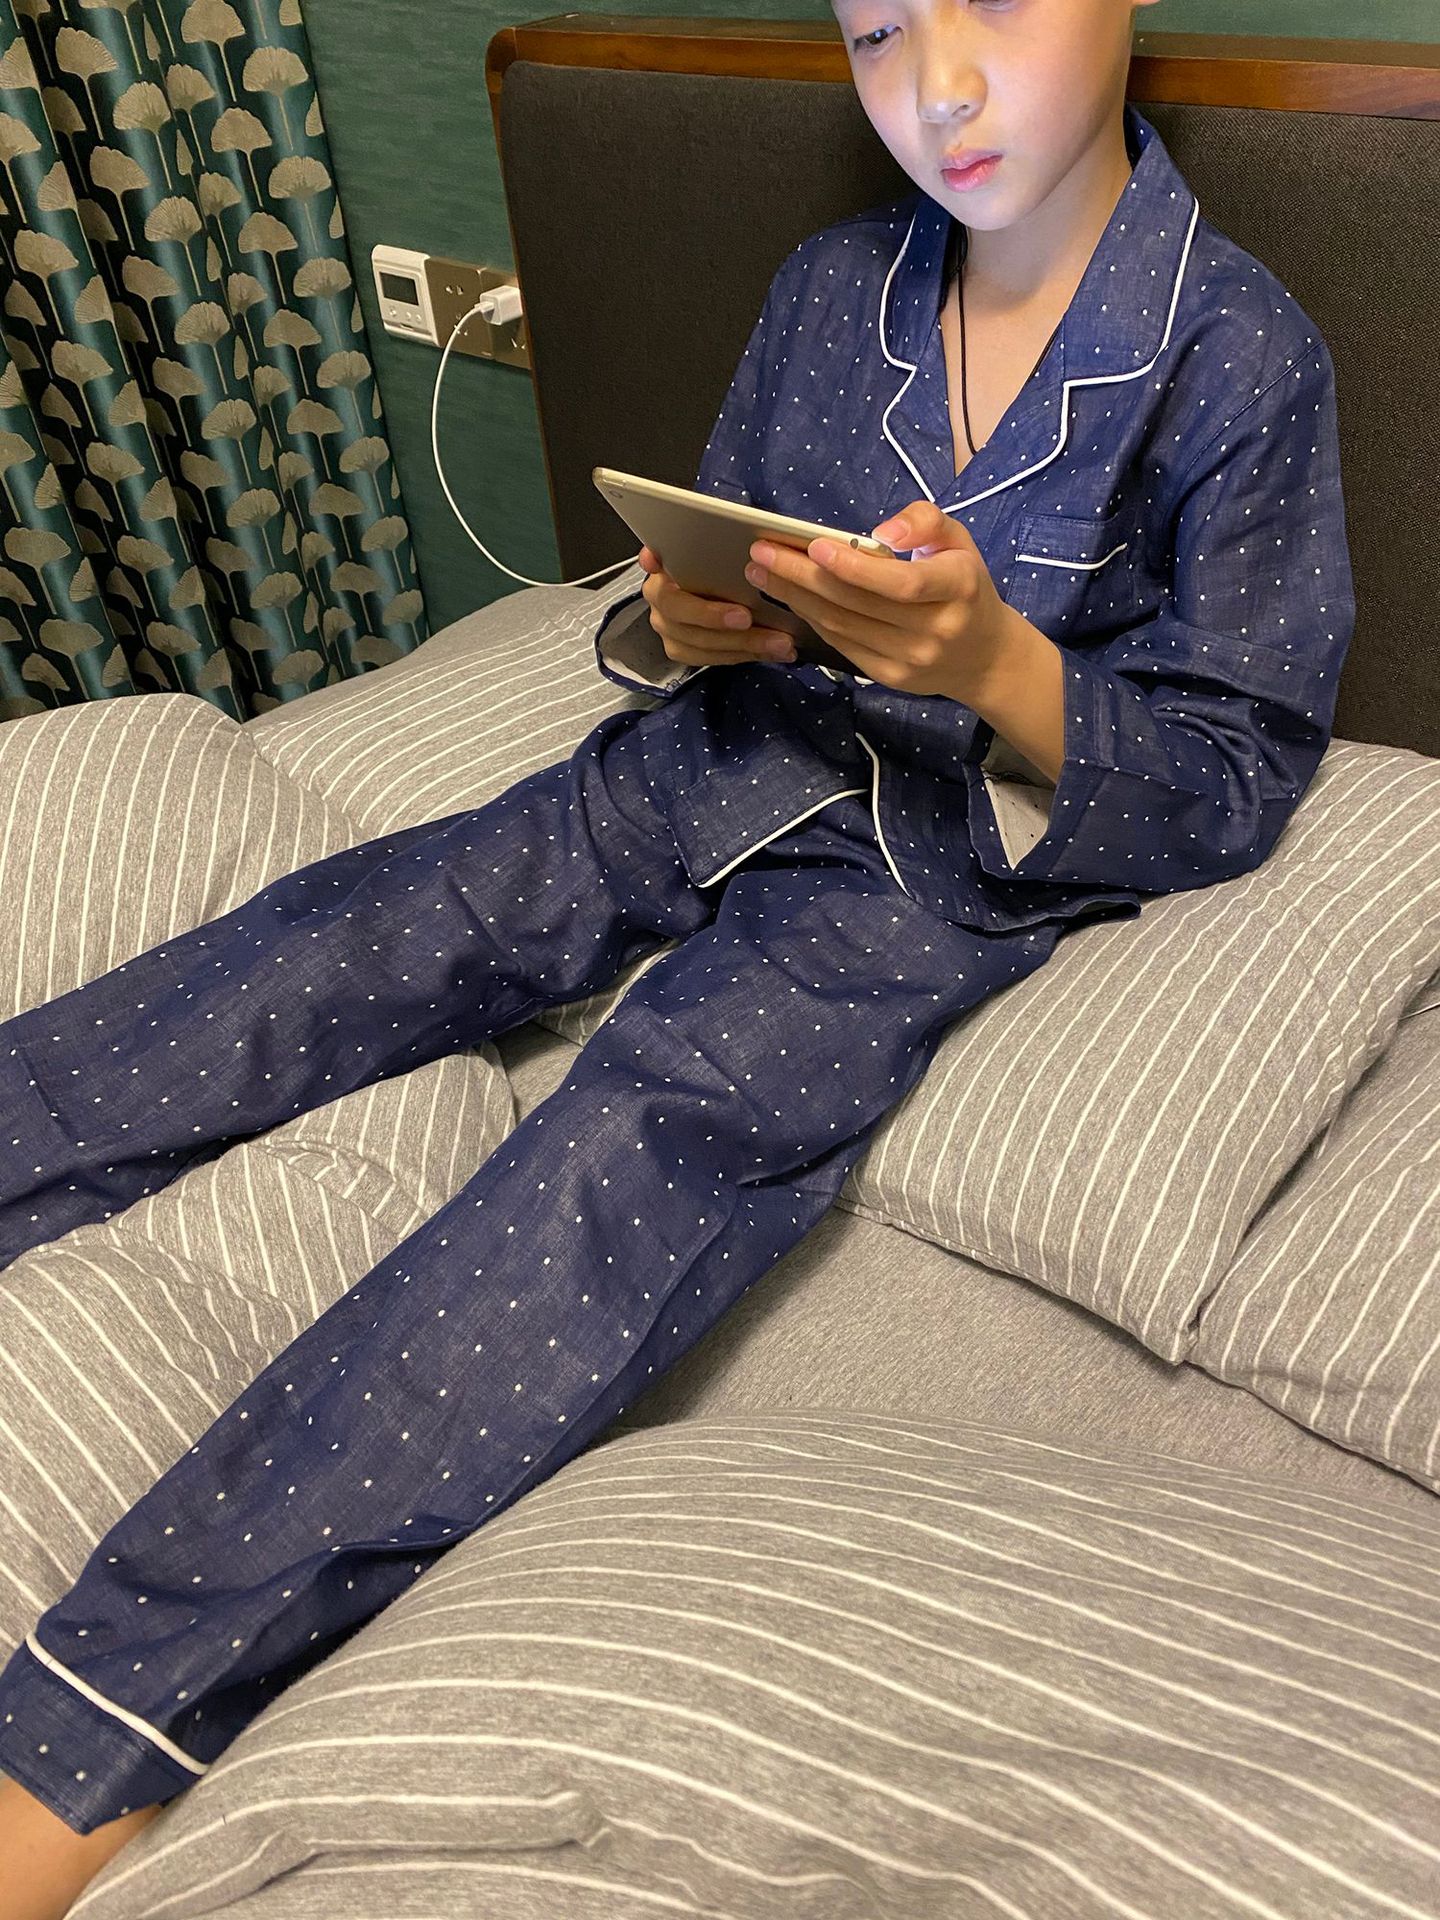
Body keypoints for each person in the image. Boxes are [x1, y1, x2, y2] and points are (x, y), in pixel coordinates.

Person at [0, 0, 1354, 1910]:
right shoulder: (828, 288)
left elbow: (1233, 772)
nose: (939, 87)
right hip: (700, 765)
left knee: (621, 1168)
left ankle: (92, 1726)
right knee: (366, 927)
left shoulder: (1237, 354)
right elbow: (698, 586)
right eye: (877, 31)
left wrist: (995, 665)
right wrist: (688, 624)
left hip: (918, 876)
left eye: (994, 2)